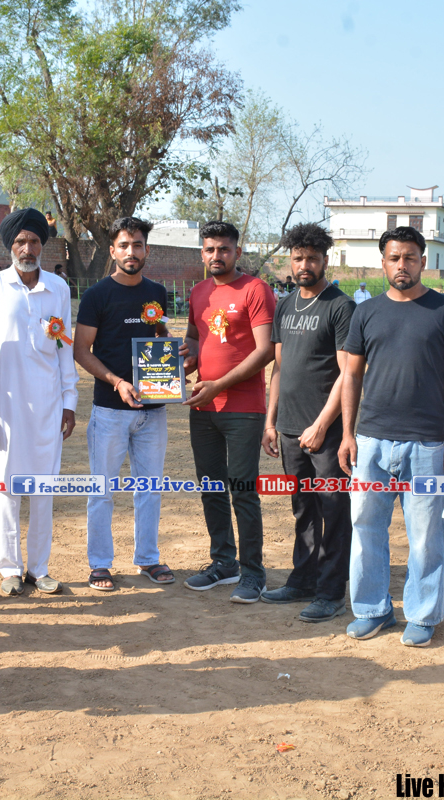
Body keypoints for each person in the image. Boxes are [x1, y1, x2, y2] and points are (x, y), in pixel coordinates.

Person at [338, 226, 444, 645]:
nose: (402, 265)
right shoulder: (366, 313)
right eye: (394, 258)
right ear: (383, 262)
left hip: (427, 441)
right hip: (371, 440)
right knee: (366, 529)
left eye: (410, 257)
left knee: (426, 536)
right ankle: (372, 609)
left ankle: (423, 615)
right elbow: (351, 376)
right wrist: (347, 434)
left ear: (423, 262)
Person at [0, 208, 78, 597]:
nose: (27, 248)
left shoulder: (58, 288)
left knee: (43, 489)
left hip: (47, 404)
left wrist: (69, 400)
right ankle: (9, 569)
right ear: (10, 246)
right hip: (3, 405)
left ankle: (39, 568)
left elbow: (64, 350)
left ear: (42, 245)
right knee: (4, 487)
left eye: (33, 241)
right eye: (20, 242)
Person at [73, 217, 174, 591]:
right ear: (113, 250)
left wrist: (171, 351)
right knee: (101, 490)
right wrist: (117, 382)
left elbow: (158, 335)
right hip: (109, 411)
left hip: (153, 409)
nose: (131, 252)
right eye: (124, 245)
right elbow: (81, 350)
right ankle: (100, 564)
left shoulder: (158, 292)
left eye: (138, 245)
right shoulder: (97, 295)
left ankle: (148, 558)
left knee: (150, 488)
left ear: (147, 249)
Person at [261, 223, 355, 622]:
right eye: (298, 258)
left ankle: (331, 592)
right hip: (288, 428)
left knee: (333, 510)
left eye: (312, 258)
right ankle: (302, 580)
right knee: (302, 508)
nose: (304, 265)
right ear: (290, 260)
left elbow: (348, 374)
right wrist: (271, 421)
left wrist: (321, 425)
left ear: (325, 260)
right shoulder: (284, 306)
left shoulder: (340, 307)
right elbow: (279, 368)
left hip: (327, 433)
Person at [181, 220, 276, 603]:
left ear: (237, 251)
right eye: (209, 249)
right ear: (202, 253)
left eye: (223, 249)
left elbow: (265, 351)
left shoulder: (255, 289)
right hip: (203, 407)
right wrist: (179, 364)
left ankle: (253, 573)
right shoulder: (198, 292)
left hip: (243, 409)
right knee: (211, 488)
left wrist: (218, 384)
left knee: (243, 491)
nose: (216, 255)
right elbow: (193, 339)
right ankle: (224, 563)